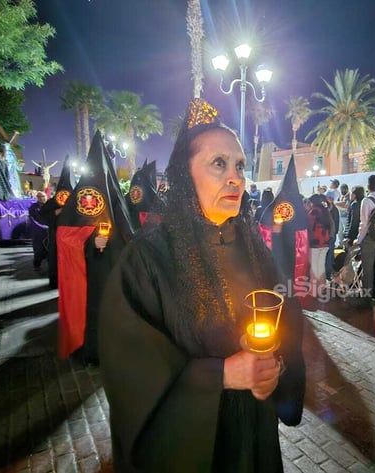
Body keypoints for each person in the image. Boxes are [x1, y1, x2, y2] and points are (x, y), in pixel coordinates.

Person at [99, 98, 305, 473]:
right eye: (219, 164)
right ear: (184, 175)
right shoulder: (147, 259)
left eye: (240, 165)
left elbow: (286, 322)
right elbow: (131, 370)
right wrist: (222, 375)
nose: (236, 177)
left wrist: (273, 366)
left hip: (255, 433)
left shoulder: (255, 248)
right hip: (194, 447)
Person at [28, 191, 49, 270]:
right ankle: (37, 265)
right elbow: (33, 220)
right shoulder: (33, 207)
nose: (41, 198)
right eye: (39, 197)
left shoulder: (50, 206)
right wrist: (43, 227)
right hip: (38, 231)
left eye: (43, 196)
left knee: (50, 249)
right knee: (38, 249)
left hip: (49, 231)